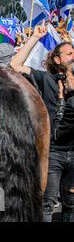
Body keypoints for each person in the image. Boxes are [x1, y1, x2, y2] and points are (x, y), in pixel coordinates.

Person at [10, 24, 74, 222]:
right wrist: (34, 38)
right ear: (57, 60)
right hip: (53, 152)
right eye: (69, 53)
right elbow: (15, 66)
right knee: (47, 203)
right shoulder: (46, 79)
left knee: (71, 203)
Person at [52, 65, 74, 222]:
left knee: (67, 205)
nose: (64, 81)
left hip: (64, 154)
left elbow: (57, 133)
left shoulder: (72, 103)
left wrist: (61, 99)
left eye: (67, 76)